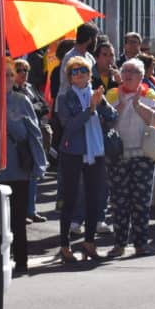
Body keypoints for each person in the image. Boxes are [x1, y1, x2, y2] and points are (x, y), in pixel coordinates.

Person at [55, 57, 117, 263]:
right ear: (70, 78)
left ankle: (89, 242)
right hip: (73, 153)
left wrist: (102, 109)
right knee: (71, 199)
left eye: (83, 70)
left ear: (90, 74)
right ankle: (64, 245)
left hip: (96, 151)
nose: (80, 74)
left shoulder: (96, 94)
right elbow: (69, 127)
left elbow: (113, 117)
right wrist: (90, 110)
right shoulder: (65, 98)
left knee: (94, 198)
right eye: (75, 71)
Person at [104, 60, 155, 257]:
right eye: (125, 71)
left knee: (141, 203)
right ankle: (119, 244)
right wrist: (120, 105)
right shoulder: (112, 95)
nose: (128, 74)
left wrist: (138, 105)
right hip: (118, 156)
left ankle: (141, 244)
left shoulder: (149, 94)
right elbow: (104, 122)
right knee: (119, 203)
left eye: (133, 72)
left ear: (141, 76)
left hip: (143, 157)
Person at [0, 73, 47, 275]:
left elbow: (34, 132)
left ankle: (21, 260)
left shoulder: (21, 100)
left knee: (18, 219)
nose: (6, 78)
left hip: (18, 168)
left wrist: (39, 164)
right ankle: (0, 260)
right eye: (3, 74)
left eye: (9, 75)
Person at [11, 58, 50, 222]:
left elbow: (44, 106)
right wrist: (33, 109)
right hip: (21, 138)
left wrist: (32, 108)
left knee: (34, 175)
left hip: (35, 134)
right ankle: (23, 212)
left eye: (26, 70)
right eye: (19, 70)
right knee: (22, 174)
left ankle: (31, 210)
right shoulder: (12, 91)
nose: (23, 73)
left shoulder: (30, 88)